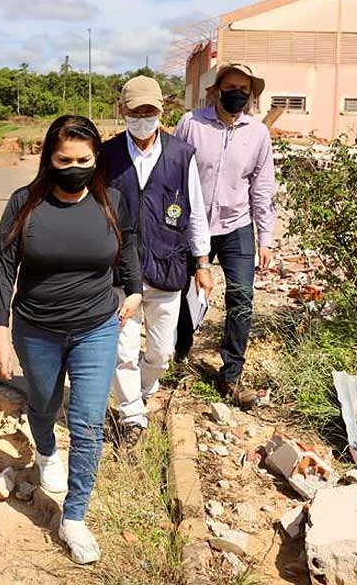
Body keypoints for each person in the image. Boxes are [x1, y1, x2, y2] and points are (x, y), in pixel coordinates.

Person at [0, 115, 142, 564]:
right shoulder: (24, 204)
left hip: (97, 325)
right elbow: (2, 268)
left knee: (89, 422)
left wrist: (133, 289)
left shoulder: (113, 201)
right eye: (63, 159)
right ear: (48, 160)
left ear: (96, 160)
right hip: (36, 329)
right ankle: (46, 452)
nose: (73, 166)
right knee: (43, 402)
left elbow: (128, 247)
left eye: (83, 159)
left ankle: (73, 517)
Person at [100, 76, 212, 447]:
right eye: (136, 112)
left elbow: (195, 212)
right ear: (123, 112)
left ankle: (143, 393)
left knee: (161, 351)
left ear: (162, 112)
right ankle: (132, 413)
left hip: (168, 264)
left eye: (150, 111)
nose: (143, 118)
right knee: (123, 349)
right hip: (121, 270)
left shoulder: (181, 155)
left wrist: (202, 263)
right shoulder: (108, 156)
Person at [173, 63, 277, 405]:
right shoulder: (192, 124)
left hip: (237, 225)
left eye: (244, 90)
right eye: (230, 87)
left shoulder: (258, 134)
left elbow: (262, 188)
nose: (237, 94)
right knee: (184, 294)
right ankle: (179, 355)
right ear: (216, 89)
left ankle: (230, 374)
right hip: (192, 224)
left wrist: (265, 237)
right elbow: (171, 174)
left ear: (251, 95)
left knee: (242, 298)